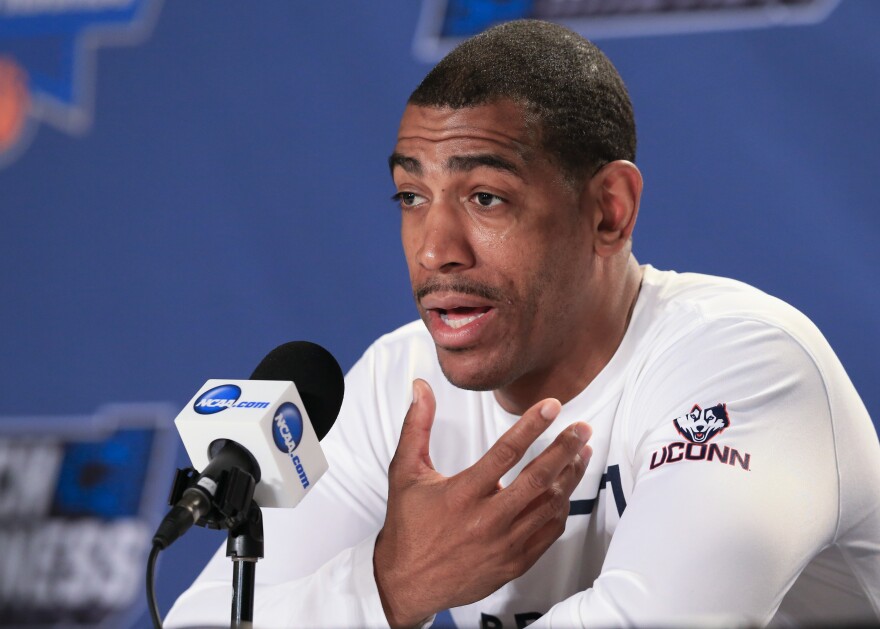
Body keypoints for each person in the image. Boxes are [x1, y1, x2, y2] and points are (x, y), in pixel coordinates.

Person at [165, 20, 880, 628]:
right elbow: (210, 619)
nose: (435, 249)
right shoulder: (399, 384)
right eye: (411, 196)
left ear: (609, 211)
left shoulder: (746, 361)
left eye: (485, 197)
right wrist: (393, 583)